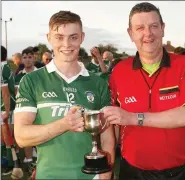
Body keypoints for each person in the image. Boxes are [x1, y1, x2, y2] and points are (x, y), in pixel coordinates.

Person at [102, 2, 185, 180]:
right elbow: (114, 124)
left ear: (163, 29)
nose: (148, 33)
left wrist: (134, 118)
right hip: (132, 171)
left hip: (181, 172)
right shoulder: (119, 71)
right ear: (131, 33)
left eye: (153, 26)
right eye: (140, 28)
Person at [14, 11, 115, 179]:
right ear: (49, 38)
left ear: (82, 37)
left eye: (73, 37)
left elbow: (107, 136)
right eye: (59, 37)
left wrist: (106, 175)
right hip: (48, 175)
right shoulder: (31, 81)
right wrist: (64, 124)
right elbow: (22, 136)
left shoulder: (97, 83)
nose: (66, 44)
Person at [15, 47, 38, 175]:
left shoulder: (41, 74)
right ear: (22, 59)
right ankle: (29, 160)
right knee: (28, 134)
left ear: (34, 58)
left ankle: (41, 159)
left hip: (40, 109)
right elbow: (16, 94)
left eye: (30, 57)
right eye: (25, 57)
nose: (28, 60)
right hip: (25, 110)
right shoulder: (19, 76)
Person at [1, 46, 21, 177]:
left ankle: (11, 164)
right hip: (6, 107)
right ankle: (8, 162)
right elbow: (13, 89)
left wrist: (7, 111)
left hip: (4, 108)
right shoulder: (6, 67)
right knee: (4, 138)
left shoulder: (2, 68)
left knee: (7, 138)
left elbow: (6, 93)